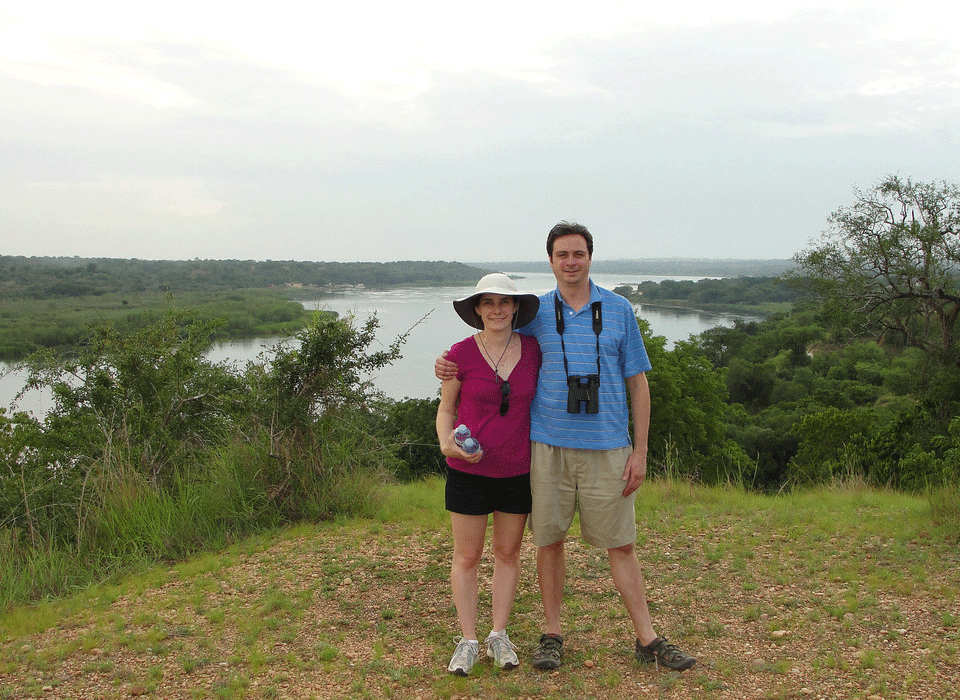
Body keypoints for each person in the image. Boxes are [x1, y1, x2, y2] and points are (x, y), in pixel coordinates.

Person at [436, 222, 696, 672]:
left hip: (608, 446)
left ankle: (647, 638)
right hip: (547, 449)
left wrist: (641, 451)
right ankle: (552, 634)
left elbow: (639, 383)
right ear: (551, 261)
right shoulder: (534, 314)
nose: (570, 262)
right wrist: (446, 364)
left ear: (590, 257)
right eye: (562, 255)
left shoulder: (618, 311)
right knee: (548, 542)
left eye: (578, 254)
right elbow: (487, 346)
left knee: (621, 544)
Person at [436, 272, 542, 675]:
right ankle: (468, 639)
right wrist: (447, 442)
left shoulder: (533, 349)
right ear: (477, 309)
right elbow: (446, 410)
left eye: (504, 302)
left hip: (517, 470)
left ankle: (499, 634)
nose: (496, 309)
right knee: (467, 557)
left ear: (516, 307)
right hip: (468, 471)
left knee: (507, 554)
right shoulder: (460, 353)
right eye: (487, 302)